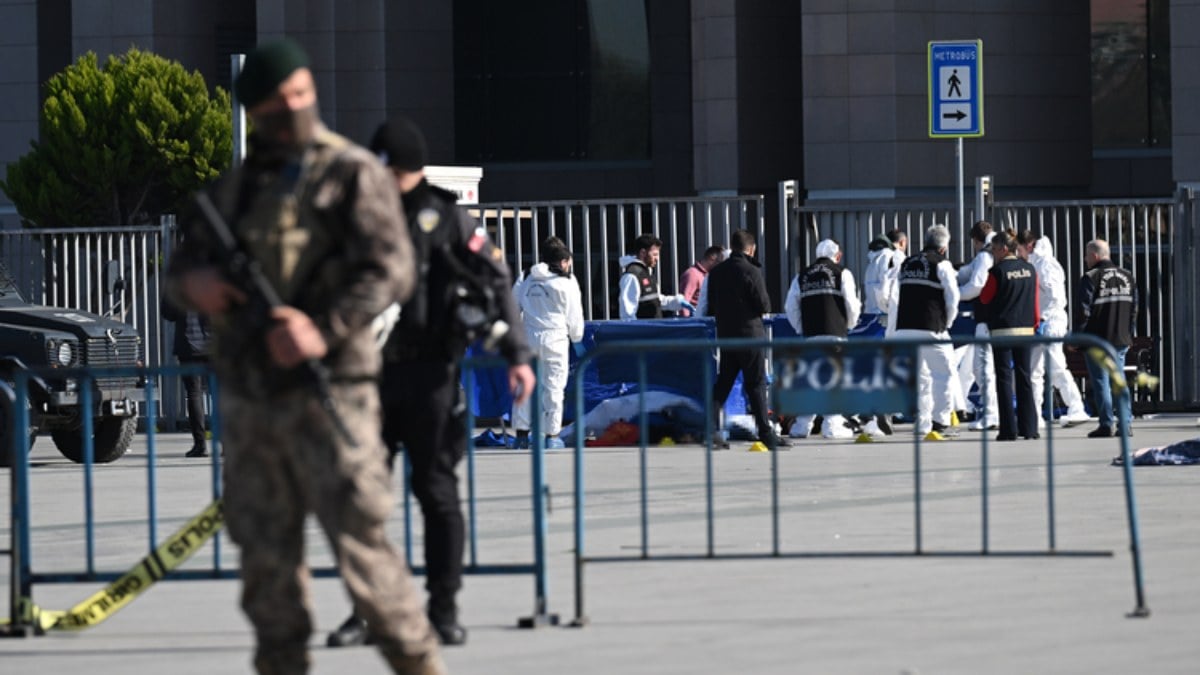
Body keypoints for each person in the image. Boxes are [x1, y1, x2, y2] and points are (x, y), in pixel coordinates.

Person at [165, 40, 446, 674]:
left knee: (370, 563)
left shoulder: (351, 174)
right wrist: (196, 288)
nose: (291, 110)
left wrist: (324, 328)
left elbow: (393, 269)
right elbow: (178, 273)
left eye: (299, 95)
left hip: (332, 395)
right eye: (276, 103)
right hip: (253, 405)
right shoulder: (231, 193)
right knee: (268, 581)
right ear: (255, 110)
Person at [326, 115, 535, 650]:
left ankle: (442, 608)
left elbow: (496, 281)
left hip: (431, 376)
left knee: (437, 493)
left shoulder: (448, 218)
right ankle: (364, 610)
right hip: (368, 375)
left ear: (399, 168)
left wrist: (516, 352)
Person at [707, 229, 789, 449]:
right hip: (750, 335)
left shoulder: (716, 272)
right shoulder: (751, 270)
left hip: (726, 335)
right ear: (751, 249)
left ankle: (710, 430)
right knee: (756, 384)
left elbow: (711, 305)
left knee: (723, 382)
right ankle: (765, 432)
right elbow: (764, 305)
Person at [512, 239, 585, 449]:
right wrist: (577, 338)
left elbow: (511, 307)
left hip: (528, 337)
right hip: (555, 339)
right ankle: (551, 436)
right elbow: (575, 316)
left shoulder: (526, 277)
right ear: (563, 261)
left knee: (524, 386)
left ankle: (521, 435)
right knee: (553, 387)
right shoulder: (567, 281)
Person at [784, 238, 860, 439]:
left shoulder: (802, 276)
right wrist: (849, 325)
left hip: (811, 335)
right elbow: (852, 304)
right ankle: (833, 424)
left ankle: (801, 425)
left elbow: (790, 307)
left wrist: (802, 328)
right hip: (835, 334)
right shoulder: (842, 273)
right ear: (838, 255)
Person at [1016, 230, 1092, 427]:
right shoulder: (1038, 263)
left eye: (1019, 249)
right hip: (1043, 322)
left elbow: (1055, 296)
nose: (1018, 254)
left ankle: (1076, 408)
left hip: (1048, 322)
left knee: (1056, 368)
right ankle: (1035, 414)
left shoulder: (1046, 264)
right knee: (1036, 371)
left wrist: (1044, 318)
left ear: (1029, 246)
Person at [893, 224, 961, 441]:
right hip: (931, 327)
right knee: (944, 373)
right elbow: (953, 297)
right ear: (944, 247)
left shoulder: (906, 262)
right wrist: (946, 323)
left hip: (904, 328)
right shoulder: (942, 264)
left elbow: (894, 296)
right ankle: (940, 421)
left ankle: (922, 422)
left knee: (921, 377)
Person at [978, 231, 1040, 441]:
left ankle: (1008, 430)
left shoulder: (996, 272)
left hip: (1002, 331)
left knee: (1004, 379)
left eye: (994, 250)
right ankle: (1029, 428)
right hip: (1026, 329)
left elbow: (985, 298)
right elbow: (1035, 300)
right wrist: (1035, 322)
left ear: (1004, 249)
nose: (993, 254)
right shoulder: (1030, 269)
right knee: (1024, 378)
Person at [1075, 239, 1138, 438]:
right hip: (1121, 338)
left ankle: (1106, 423)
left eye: (1086, 255)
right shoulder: (1128, 276)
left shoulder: (1091, 277)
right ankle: (1125, 423)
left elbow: (1083, 312)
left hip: (1098, 340)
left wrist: (1080, 338)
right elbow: (1134, 309)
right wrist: (1129, 333)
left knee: (1101, 382)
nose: (1085, 259)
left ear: (1094, 255)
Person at [956, 220, 1000, 431]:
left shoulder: (984, 256)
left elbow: (976, 285)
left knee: (983, 367)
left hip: (985, 318)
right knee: (977, 367)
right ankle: (990, 410)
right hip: (998, 316)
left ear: (975, 240)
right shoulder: (996, 252)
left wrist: (953, 294)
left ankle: (991, 413)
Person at [160, 301, 212, 457]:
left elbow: (168, 313)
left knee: (194, 394)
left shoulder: (178, 279)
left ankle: (200, 445)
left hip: (188, 344)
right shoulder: (216, 276)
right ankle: (226, 445)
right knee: (220, 394)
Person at [617, 233, 693, 319]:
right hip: (644, 330)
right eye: (654, 254)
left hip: (651, 328)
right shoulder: (632, 276)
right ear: (643, 253)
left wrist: (677, 302)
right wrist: (635, 331)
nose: (657, 258)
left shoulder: (645, 273)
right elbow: (627, 312)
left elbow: (656, 300)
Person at [678, 245, 724, 316]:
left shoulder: (708, 276)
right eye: (720, 262)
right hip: (695, 321)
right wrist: (687, 323)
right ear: (712, 258)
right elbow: (684, 301)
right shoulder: (692, 274)